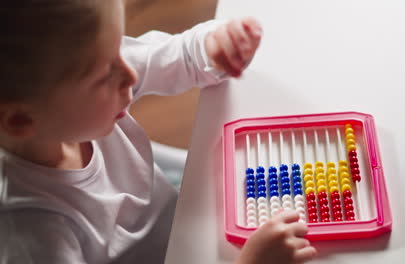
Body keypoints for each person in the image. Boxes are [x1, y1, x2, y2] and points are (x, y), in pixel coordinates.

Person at [0, 0, 317, 263]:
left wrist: (214, 47)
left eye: (118, 51)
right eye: (103, 76)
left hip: (177, 215)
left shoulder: (78, 79)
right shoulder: (35, 239)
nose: (130, 73)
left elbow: (172, 55)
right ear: (19, 121)